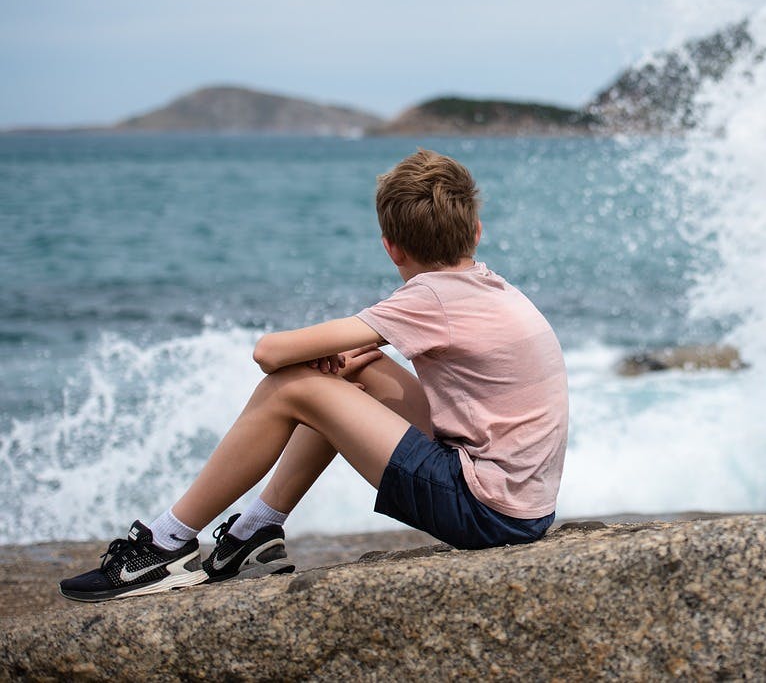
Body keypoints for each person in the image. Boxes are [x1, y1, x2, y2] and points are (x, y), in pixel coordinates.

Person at [60, 150, 569, 602]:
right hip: (523, 506)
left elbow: (269, 352)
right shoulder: (488, 285)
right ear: (476, 231)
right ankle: (256, 533)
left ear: (391, 247)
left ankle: (163, 545)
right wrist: (346, 361)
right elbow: (364, 346)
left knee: (293, 387)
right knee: (357, 369)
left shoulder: (430, 297)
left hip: (484, 510)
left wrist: (321, 366)